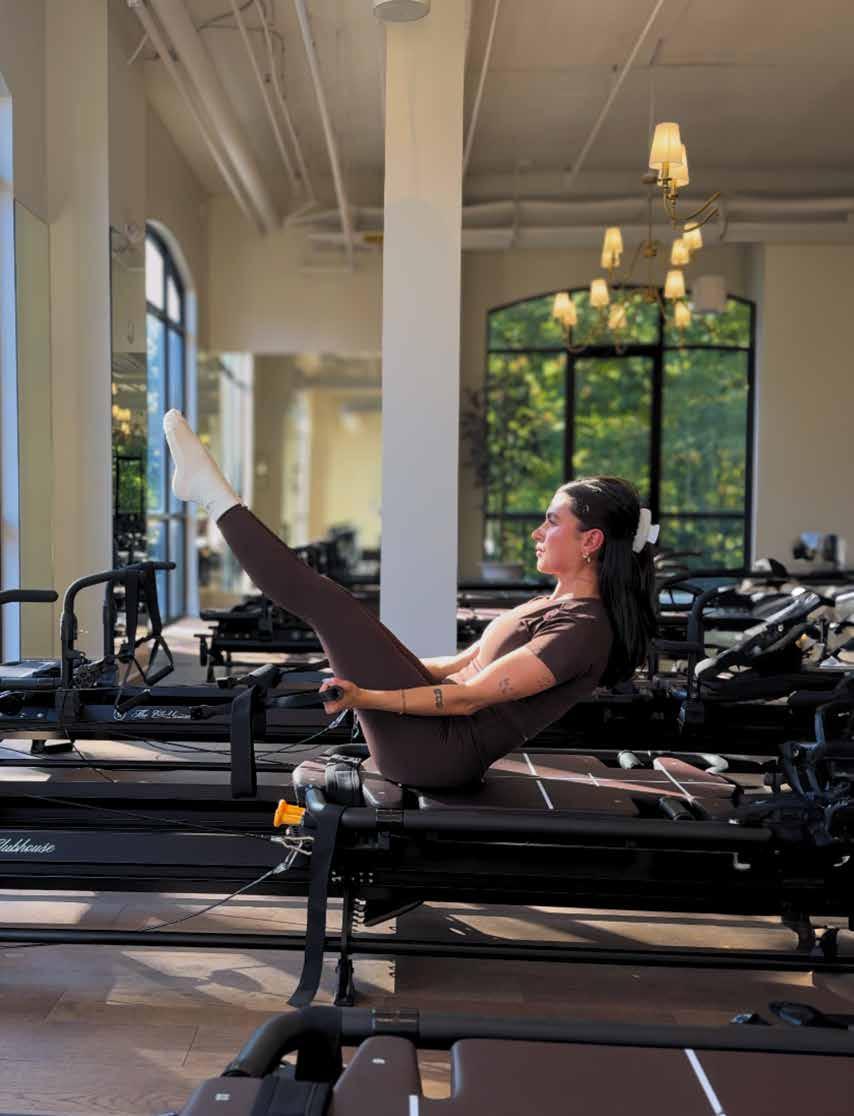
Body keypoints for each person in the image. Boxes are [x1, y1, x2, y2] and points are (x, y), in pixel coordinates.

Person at [163, 410, 658, 789]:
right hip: (431, 736)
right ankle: (211, 493)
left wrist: (364, 696)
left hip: (435, 754)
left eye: (552, 521)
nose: (537, 532)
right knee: (340, 609)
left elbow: (468, 698)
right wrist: (361, 661)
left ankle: (211, 495)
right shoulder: (553, 606)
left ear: (591, 541)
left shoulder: (582, 629)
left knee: (329, 604)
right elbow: (456, 667)